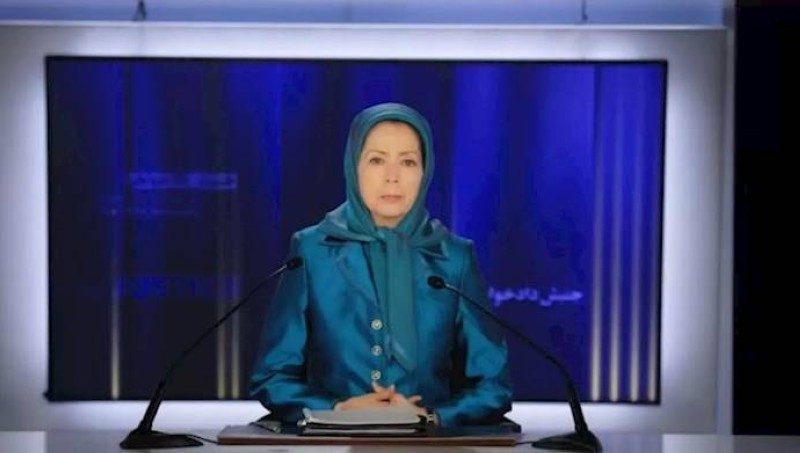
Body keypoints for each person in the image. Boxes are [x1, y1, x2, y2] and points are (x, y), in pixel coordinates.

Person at [249, 102, 512, 427]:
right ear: (353, 166)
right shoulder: (312, 250)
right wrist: (337, 410)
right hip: (331, 444)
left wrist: (432, 416)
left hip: (429, 447)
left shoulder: (454, 256)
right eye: (376, 160)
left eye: (408, 162)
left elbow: (494, 385)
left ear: (425, 171)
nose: (392, 177)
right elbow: (272, 376)